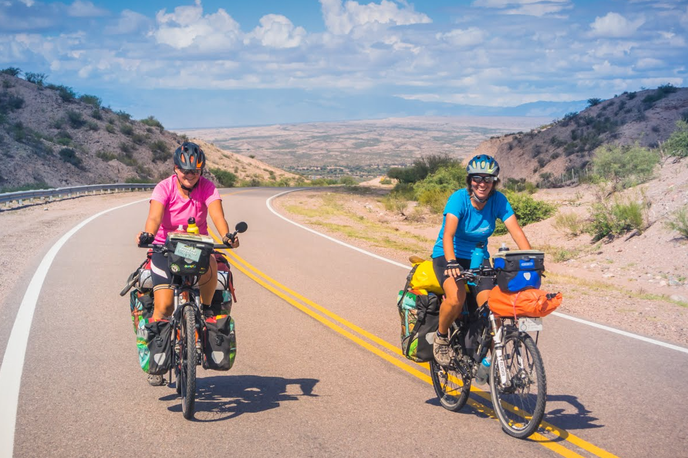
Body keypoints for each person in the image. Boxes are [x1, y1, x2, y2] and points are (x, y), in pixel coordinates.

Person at [136, 141, 239, 385]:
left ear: (201, 171)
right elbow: (154, 216)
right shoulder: (164, 188)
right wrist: (148, 234)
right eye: (185, 171)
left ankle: (202, 319)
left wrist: (226, 236)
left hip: (198, 249)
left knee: (210, 296)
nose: (190, 175)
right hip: (166, 248)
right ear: (175, 169)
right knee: (163, 307)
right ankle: (157, 361)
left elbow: (217, 216)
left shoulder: (208, 188)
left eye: (195, 171)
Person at [431, 154, 531, 366]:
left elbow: (517, 232)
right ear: (470, 180)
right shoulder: (459, 199)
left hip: (478, 258)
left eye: (488, 179)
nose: (482, 183)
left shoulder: (498, 200)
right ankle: (440, 338)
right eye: (477, 178)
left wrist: (531, 260)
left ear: (494, 181)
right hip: (449, 255)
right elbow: (448, 234)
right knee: (456, 299)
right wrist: (451, 263)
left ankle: (484, 356)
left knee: (491, 308)